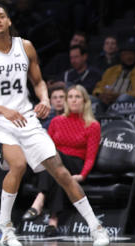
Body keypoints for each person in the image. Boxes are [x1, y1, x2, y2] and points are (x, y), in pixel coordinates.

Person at [0, 3, 109, 246]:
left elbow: (39, 82)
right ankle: (4, 227)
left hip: (26, 118)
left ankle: (97, 228)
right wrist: (4, 110)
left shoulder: (26, 47)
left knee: (62, 172)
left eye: (2, 16)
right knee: (18, 164)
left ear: (9, 21)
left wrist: (44, 99)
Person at [24, 85, 101, 237]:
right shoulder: (56, 121)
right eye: (70, 97)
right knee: (56, 168)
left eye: (77, 97)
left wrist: (83, 175)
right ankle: (53, 222)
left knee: (54, 159)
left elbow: (90, 156)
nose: (73, 100)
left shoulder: (93, 125)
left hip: (75, 163)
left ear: (85, 101)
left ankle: (39, 199)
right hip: (57, 165)